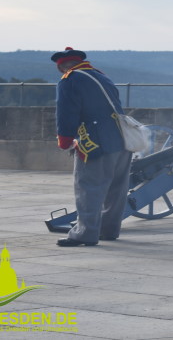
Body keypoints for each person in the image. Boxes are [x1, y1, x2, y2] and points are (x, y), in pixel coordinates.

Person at [51, 47, 132, 247]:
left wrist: (65, 140)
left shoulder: (70, 80)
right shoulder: (101, 77)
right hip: (122, 139)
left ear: (62, 66)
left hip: (95, 141)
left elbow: (66, 113)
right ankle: (109, 230)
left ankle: (85, 233)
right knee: (117, 188)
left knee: (88, 188)